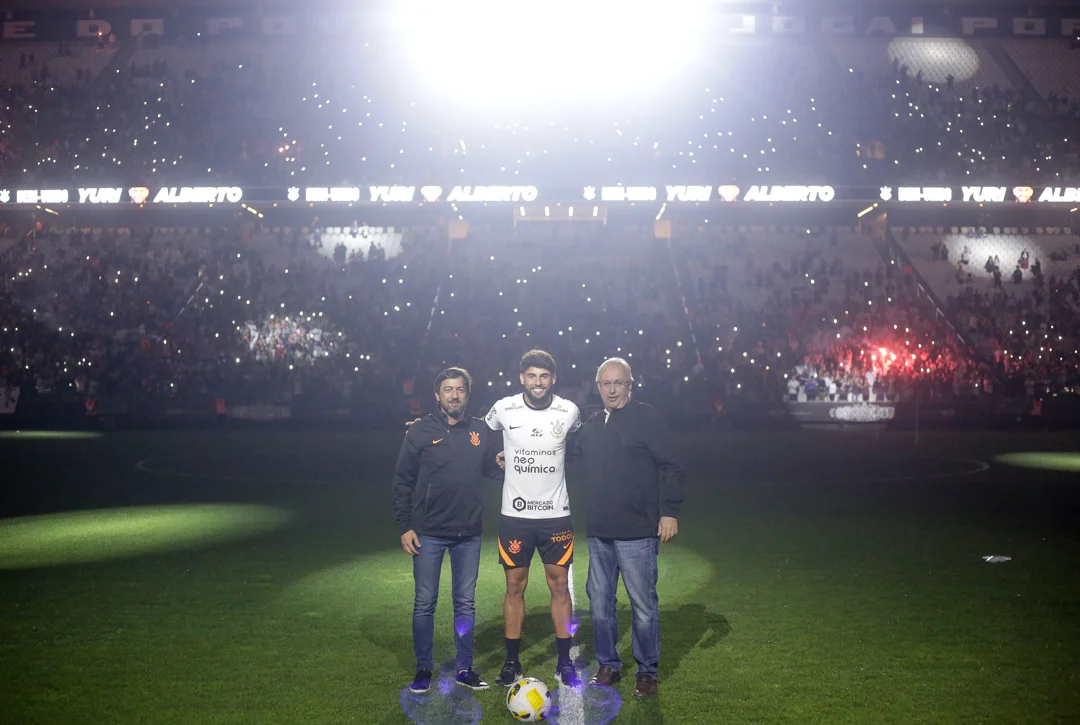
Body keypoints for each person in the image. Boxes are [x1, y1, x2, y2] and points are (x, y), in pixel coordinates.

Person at [574, 357, 685, 698]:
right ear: (598, 386)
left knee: (643, 606)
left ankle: (647, 671)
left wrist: (669, 511)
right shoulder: (591, 425)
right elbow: (559, 453)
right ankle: (608, 665)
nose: (612, 389)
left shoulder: (647, 418)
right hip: (599, 533)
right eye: (606, 383)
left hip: (637, 532)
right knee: (601, 603)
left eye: (619, 383)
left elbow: (672, 465)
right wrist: (512, 455)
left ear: (630, 385)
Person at [392, 367, 502, 694]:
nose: (454, 395)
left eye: (460, 390)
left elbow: (488, 468)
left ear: (468, 394)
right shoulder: (420, 431)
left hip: (469, 532)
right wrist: (404, 526)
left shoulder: (480, 430)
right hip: (429, 532)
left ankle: (464, 667)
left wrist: (503, 465)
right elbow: (403, 481)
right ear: (437, 395)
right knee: (425, 602)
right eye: (448, 390)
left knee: (465, 603)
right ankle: (423, 668)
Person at [485, 349, 582, 688]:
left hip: (556, 517)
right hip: (515, 516)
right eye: (531, 376)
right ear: (521, 378)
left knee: (559, 586)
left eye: (544, 376)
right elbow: (478, 435)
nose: (537, 382)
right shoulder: (503, 408)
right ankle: (511, 662)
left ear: (553, 379)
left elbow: (586, 442)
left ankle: (563, 662)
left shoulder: (569, 411)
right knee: (515, 586)